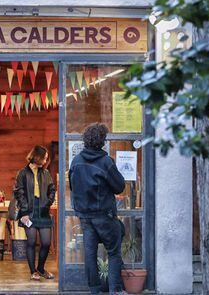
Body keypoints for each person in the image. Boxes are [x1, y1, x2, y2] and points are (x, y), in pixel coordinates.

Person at [69, 123, 126, 295]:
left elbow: (72, 186)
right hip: (104, 215)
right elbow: (119, 186)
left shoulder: (76, 161)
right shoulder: (105, 162)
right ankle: (115, 290)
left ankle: (94, 290)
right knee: (114, 252)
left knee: (90, 254)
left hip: (85, 216)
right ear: (102, 141)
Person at [13, 145, 56, 281]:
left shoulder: (46, 173)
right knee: (31, 242)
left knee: (46, 242)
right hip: (29, 212)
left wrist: (48, 202)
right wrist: (24, 212)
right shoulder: (23, 173)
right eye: (44, 158)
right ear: (37, 157)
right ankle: (33, 271)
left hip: (43, 211)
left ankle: (41, 268)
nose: (45, 161)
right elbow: (19, 193)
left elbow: (52, 190)